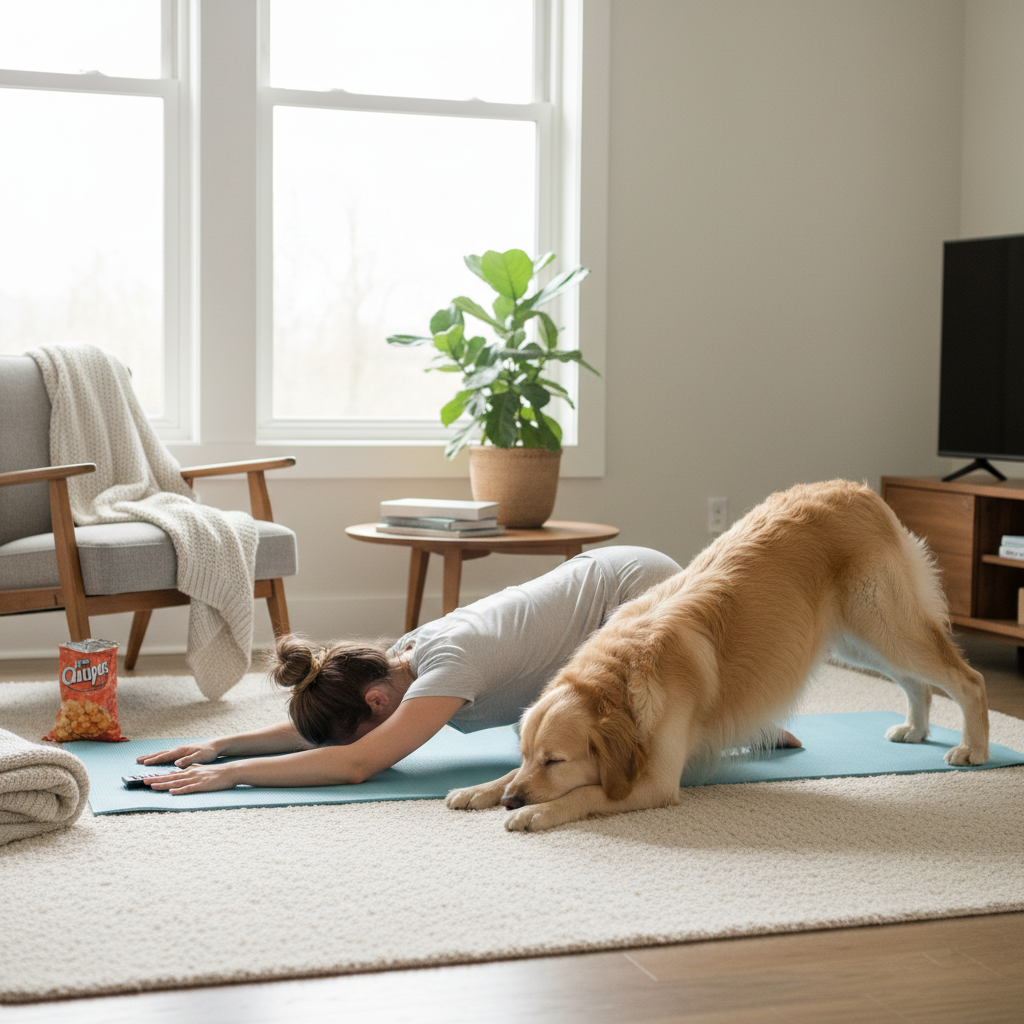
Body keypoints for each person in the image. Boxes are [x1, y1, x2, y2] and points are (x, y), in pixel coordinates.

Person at [138, 546, 799, 794]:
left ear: (376, 702)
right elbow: (336, 738)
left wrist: (236, 775)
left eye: (361, 726)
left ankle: (744, 725)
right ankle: (750, 727)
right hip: (607, 570)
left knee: (626, 744)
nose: (366, 738)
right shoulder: (401, 660)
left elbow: (356, 761)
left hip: (634, 591)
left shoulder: (448, 666)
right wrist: (225, 743)